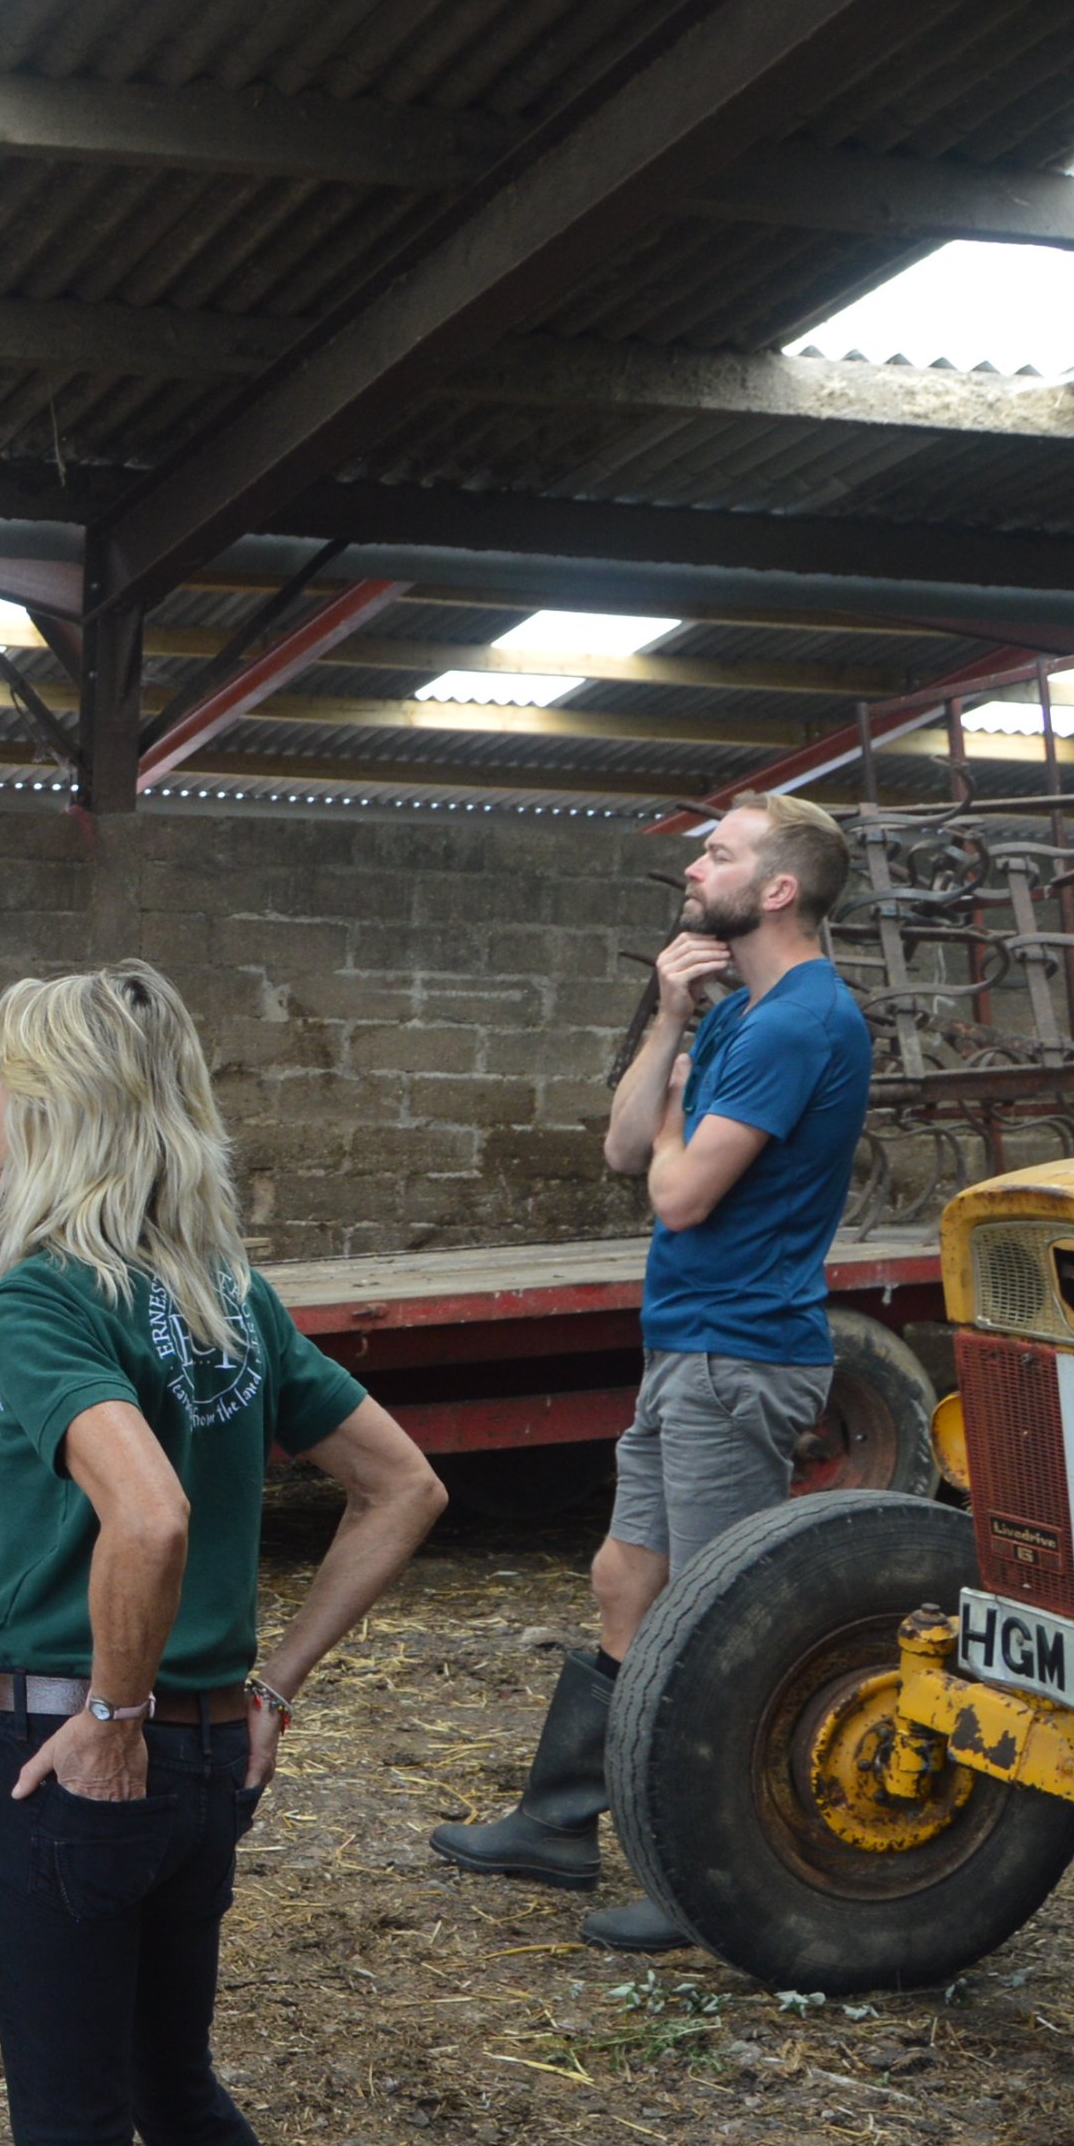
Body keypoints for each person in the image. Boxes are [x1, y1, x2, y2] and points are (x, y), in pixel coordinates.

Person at [0, 964, 448, 2146]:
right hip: (207, 1750)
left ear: (63, 1115)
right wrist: (269, 1684)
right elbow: (403, 1483)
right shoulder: (233, 1294)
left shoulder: (46, 1296)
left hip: (72, 1740)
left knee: (69, 2124)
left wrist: (110, 1717)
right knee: (170, 2081)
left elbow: (152, 1515)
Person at [429, 793, 873, 1953]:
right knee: (627, 1574)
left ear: (777, 889)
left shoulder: (800, 1022)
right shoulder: (737, 1014)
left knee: (712, 1617)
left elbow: (675, 1192)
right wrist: (670, 1022)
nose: (693, 866)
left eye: (717, 854)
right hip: (687, 1342)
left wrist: (677, 1125)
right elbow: (628, 1147)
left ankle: (712, 1876)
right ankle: (560, 1821)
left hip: (741, 1353)